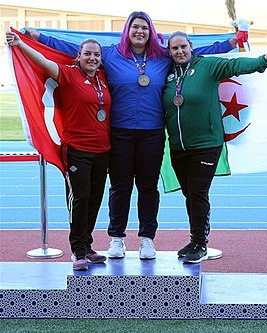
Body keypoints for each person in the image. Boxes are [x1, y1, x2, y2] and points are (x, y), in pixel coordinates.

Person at [24, 11, 238, 260]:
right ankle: (117, 238)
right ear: (128, 30)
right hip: (119, 133)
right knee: (120, 187)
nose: (140, 32)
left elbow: (196, 50)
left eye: (145, 28)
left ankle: (147, 239)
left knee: (148, 187)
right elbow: (73, 48)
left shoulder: (163, 56)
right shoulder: (110, 55)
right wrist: (39, 37)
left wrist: (229, 43)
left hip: (152, 133)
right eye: (135, 27)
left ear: (151, 32)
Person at [162, 31, 267, 264]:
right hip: (178, 146)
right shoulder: (167, 74)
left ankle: (200, 243)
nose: (179, 51)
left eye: (183, 46)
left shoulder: (208, 66)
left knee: (197, 192)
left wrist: (263, 61)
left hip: (206, 144)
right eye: (174, 48)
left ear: (191, 46)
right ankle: (195, 239)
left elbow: (235, 65)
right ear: (169, 51)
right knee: (190, 194)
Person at [6, 30, 112, 271]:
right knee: (80, 197)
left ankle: (87, 244)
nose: (92, 58)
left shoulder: (104, 78)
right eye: (87, 53)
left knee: (95, 199)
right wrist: (22, 44)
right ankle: (77, 251)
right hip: (77, 149)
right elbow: (42, 61)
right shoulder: (68, 73)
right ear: (79, 56)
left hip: (103, 149)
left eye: (96, 54)